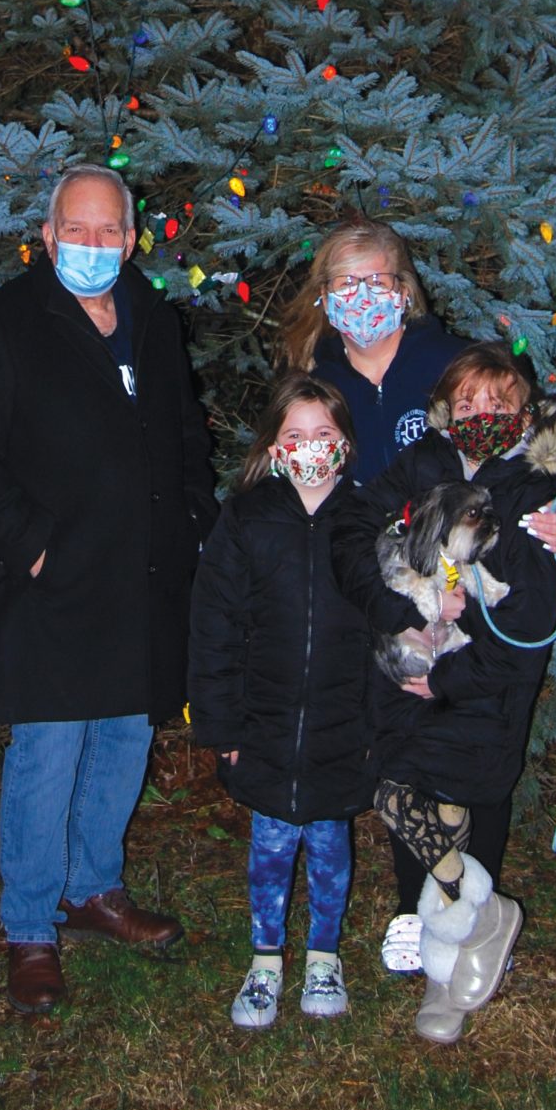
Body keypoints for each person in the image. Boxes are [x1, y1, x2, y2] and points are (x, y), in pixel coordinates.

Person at [279, 217, 556, 971]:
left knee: (476, 755)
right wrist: (380, 596)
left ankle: (475, 904)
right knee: (403, 743)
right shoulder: (321, 372)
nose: (362, 297)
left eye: (377, 281)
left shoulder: (452, 364)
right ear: (326, 294)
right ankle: (411, 903)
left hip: (483, 606)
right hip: (389, 590)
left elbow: (554, 479)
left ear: (403, 288)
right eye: (345, 283)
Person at [0, 163, 216, 1014]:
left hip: (142, 572)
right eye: (76, 231)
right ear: (48, 236)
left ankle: (94, 889)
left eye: (109, 233)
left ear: (132, 240)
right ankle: (28, 925)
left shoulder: (154, 319)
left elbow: (183, 431)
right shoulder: (1, 325)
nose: (93, 247)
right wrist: (37, 550)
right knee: (50, 750)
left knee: (123, 735)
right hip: (52, 580)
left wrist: (193, 518)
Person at [332, 339, 556, 1045]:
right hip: (410, 669)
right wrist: (392, 609)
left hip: (482, 688)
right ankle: (469, 918)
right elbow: (356, 520)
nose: (481, 413)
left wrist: (446, 676)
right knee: (400, 789)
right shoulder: (423, 465)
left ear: (524, 414)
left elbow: (529, 616)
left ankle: (452, 970)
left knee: (468, 801)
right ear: (445, 407)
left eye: (499, 403)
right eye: (468, 400)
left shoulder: (533, 492)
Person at [187, 373, 374, 1030]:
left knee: (329, 844)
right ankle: (265, 961)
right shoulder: (245, 518)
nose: (310, 446)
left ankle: (324, 955)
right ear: (271, 446)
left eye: (324, 434)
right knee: (269, 846)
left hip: (343, 723)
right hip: (263, 722)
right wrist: (222, 721)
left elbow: (391, 624)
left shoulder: (367, 519)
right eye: (295, 434)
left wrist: (381, 723)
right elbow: (214, 626)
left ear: (346, 444)